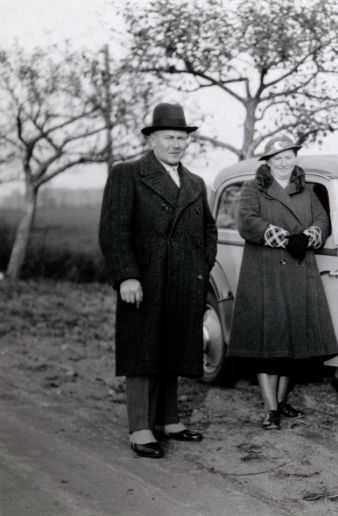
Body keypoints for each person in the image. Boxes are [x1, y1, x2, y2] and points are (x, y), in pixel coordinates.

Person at [98, 103, 217, 459]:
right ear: (151, 140)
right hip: (144, 282)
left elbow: (208, 230)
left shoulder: (195, 183)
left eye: (182, 138)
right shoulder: (127, 174)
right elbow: (114, 231)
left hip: (184, 280)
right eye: (169, 137)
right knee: (143, 352)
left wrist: (200, 265)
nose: (177, 144)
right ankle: (140, 428)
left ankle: (168, 420)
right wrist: (127, 276)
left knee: (174, 348)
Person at [227, 135, 338, 430]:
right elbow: (246, 222)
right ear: (268, 162)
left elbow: (323, 221)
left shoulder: (307, 190)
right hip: (265, 272)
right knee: (268, 343)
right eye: (277, 158)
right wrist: (284, 238)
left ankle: (281, 401)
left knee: (291, 342)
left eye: (288, 156)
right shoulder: (254, 188)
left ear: (294, 158)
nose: (284, 162)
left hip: (298, 271)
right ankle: (271, 408)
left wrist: (309, 236)